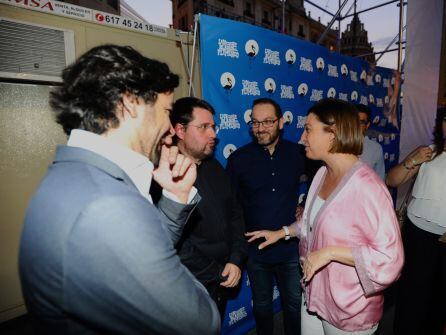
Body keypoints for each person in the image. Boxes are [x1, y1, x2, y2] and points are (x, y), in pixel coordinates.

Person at [18, 45, 220, 335]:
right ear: (129, 103)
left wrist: (174, 196)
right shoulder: (107, 204)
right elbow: (200, 322)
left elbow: (144, 252)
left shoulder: (81, 178)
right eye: (166, 112)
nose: (168, 127)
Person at [246, 98, 404, 335]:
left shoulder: (368, 188)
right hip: (314, 295)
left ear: (333, 134)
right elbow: (312, 224)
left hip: (349, 310)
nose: (301, 138)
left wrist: (330, 253)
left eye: (308, 129)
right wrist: (283, 232)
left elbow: (390, 261)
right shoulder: (321, 173)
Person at [226, 97, 305, 335]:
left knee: (293, 304)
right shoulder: (238, 159)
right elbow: (231, 206)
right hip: (255, 249)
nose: (260, 128)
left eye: (268, 122)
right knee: (261, 305)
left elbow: (323, 180)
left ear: (281, 122)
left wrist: (305, 202)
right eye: (255, 122)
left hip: (290, 246)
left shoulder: (299, 153)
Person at [167, 97, 247, 316]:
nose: (213, 134)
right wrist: (217, 271)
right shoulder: (165, 174)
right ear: (180, 130)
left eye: (213, 126)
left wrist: (235, 259)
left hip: (223, 278)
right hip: (188, 287)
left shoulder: (215, 167)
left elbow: (236, 214)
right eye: (204, 127)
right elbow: (174, 243)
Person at [389, 107, 446, 335]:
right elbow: (392, 180)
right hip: (417, 233)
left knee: (439, 301)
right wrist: (413, 160)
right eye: (445, 119)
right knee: (411, 297)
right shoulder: (428, 152)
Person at [356, 104, 385, 180]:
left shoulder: (375, 149)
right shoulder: (338, 144)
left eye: (361, 122)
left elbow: (380, 179)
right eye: (353, 120)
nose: (356, 125)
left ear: (367, 125)